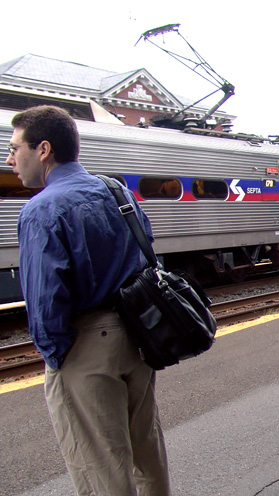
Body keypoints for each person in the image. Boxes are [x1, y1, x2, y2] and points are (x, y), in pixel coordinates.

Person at [7, 105, 171, 495]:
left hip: (85, 348)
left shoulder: (41, 210)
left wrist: (57, 356)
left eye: (15, 148)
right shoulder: (117, 192)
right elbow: (148, 257)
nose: (11, 159)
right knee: (147, 454)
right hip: (138, 335)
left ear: (43, 149)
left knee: (102, 467)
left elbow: (46, 299)